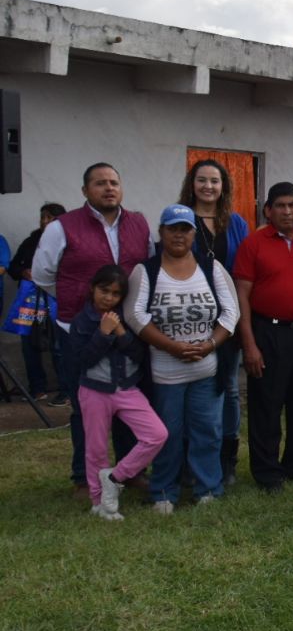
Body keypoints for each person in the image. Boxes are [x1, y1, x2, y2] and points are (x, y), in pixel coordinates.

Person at [33, 163, 152, 494]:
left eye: (114, 182)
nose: (109, 188)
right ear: (85, 191)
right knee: (84, 404)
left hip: (124, 329)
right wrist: (78, 303)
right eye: (100, 183)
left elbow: (144, 270)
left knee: (128, 398)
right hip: (77, 329)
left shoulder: (139, 224)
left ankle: (131, 471)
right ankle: (82, 478)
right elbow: (44, 275)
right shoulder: (62, 227)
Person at [125, 204, 240, 512]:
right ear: (161, 232)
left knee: (208, 432)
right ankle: (164, 492)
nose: (179, 234)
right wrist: (171, 346)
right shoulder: (145, 271)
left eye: (185, 229)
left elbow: (231, 312)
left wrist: (210, 344)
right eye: (172, 228)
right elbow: (134, 316)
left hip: (206, 368)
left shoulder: (211, 268)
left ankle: (208, 489)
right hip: (165, 374)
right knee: (167, 434)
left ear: (194, 234)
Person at [233, 182, 293, 491]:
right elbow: (242, 296)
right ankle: (267, 472)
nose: (288, 211)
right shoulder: (254, 243)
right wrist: (249, 345)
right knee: (266, 406)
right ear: (268, 210)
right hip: (268, 332)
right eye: (281, 206)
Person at [65, 264, 167, 520]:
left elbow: (138, 355)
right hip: (94, 391)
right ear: (92, 289)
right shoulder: (82, 321)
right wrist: (102, 333)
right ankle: (100, 502)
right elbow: (81, 361)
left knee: (156, 434)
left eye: (115, 293)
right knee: (96, 448)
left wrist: (120, 332)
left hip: (126, 389)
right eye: (104, 291)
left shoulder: (126, 318)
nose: (108, 298)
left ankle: (115, 477)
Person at [179, 158, 251, 485]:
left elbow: (243, 271)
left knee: (228, 389)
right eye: (202, 180)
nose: (208, 186)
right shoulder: (179, 218)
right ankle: (188, 457)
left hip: (227, 317)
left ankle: (227, 458)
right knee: (188, 387)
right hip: (187, 318)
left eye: (215, 181)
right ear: (191, 184)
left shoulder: (236, 223)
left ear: (224, 186)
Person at [6, 202, 66, 400]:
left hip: (57, 302)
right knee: (28, 344)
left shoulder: (68, 242)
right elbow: (13, 267)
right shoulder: (31, 242)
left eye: (51, 218)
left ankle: (65, 391)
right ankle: (36, 389)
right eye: (43, 217)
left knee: (58, 346)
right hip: (31, 302)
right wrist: (23, 272)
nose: (45, 222)